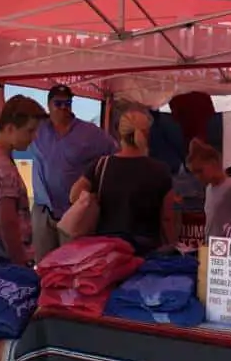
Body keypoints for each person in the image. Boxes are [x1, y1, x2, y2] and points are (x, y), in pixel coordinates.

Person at [30, 84, 116, 262]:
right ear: (49, 105)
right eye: (58, 104)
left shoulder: (90, 133)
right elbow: (4, 118)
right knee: (44, 267)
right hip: (43, 213)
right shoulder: (37, 130)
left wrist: (96, 187)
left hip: (75, 214)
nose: (63, 108)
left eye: (67, 104)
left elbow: (115, 154)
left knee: (74, 266)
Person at [69, 109, 173, 254]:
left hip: (107, 250)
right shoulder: (160, 170)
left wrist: (94, 197)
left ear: (119, 133)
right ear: (147, 134)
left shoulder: (101, 165)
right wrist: (171, 245)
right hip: (146, 251)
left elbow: (74, 196)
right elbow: (167, 217)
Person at [0, 95, 47, 268]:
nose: (34, 137)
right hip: (4, 264)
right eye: (30, 130)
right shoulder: (1, 167)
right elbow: (8, 224)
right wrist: (20, 266)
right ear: (11, 128)